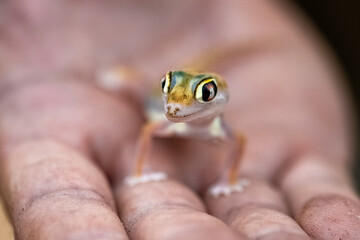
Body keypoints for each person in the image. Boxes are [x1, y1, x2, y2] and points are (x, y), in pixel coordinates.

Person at [0, 1, 359, 239]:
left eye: (202, 96)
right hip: (144, 92)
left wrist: (228, 179)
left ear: (221, 100)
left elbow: (239, 143)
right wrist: (141, 171)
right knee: (139, 93)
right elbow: (148, 130)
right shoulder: (168, 113)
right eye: (173, 91)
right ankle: (125, 76)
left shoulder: (219, 126)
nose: (176, 108)